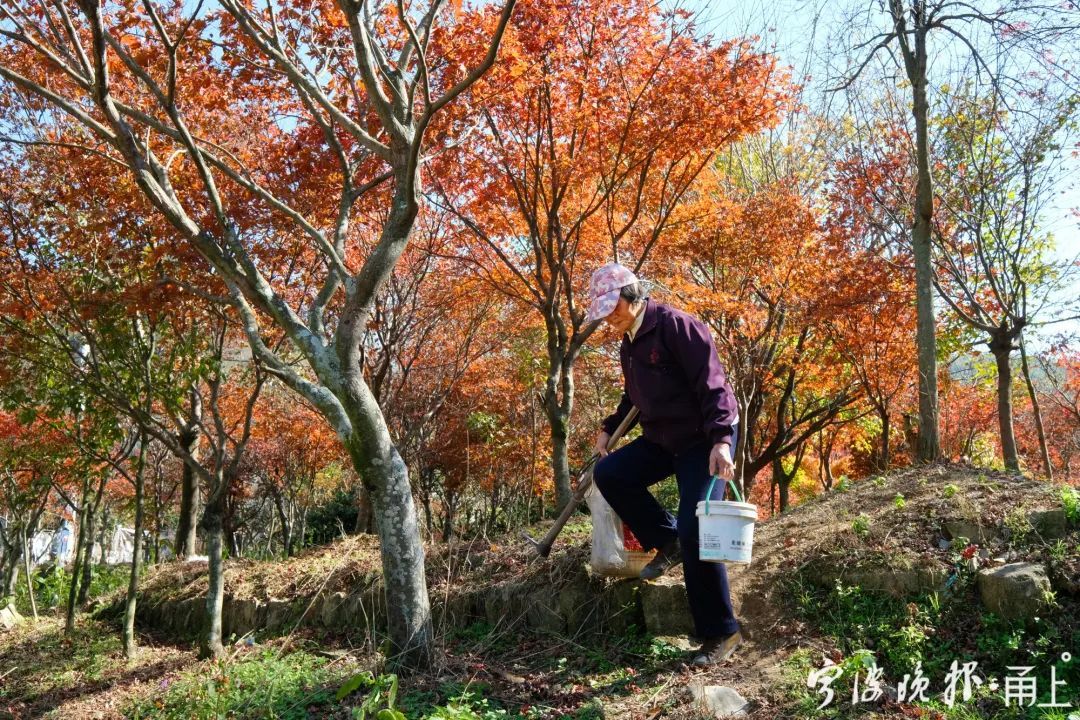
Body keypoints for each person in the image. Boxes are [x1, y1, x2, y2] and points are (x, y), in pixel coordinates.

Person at [587, 262, 743, 666]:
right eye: (603, 310)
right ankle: (667, 540)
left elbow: (715, 386)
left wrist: (722, 440)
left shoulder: (678, 326)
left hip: (703, 439)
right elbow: (634, 398)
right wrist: (608, 428)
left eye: (612, 306)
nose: (609, 316)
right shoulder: (629, 343)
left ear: (632, 295)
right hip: (662, 439)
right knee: (610, 473)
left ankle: (721, 632)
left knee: (697, 528)